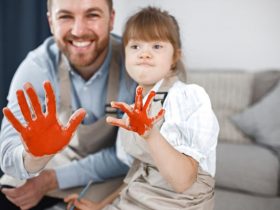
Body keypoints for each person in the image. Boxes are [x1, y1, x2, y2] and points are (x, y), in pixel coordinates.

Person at [64, 6, 219, 210]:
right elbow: (138, 172)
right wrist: (101, 206)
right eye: (135, 46)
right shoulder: (132, 107)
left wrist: (151, 135)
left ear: (175, 56)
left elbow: (183, 182)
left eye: (156, 46)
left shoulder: (186, 97)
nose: (144, 54)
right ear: (125, 55)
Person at [0, 0, 135, 209]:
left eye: (92, 15)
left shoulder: (135, 65)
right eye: (65, 16)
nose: (79, 30)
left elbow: (129, 154)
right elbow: (9, 156)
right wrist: (33, 158)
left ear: (111, 19)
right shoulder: (37, 66)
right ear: (51, 22)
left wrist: (51, 180)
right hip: (47, 165)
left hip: (110, 177)